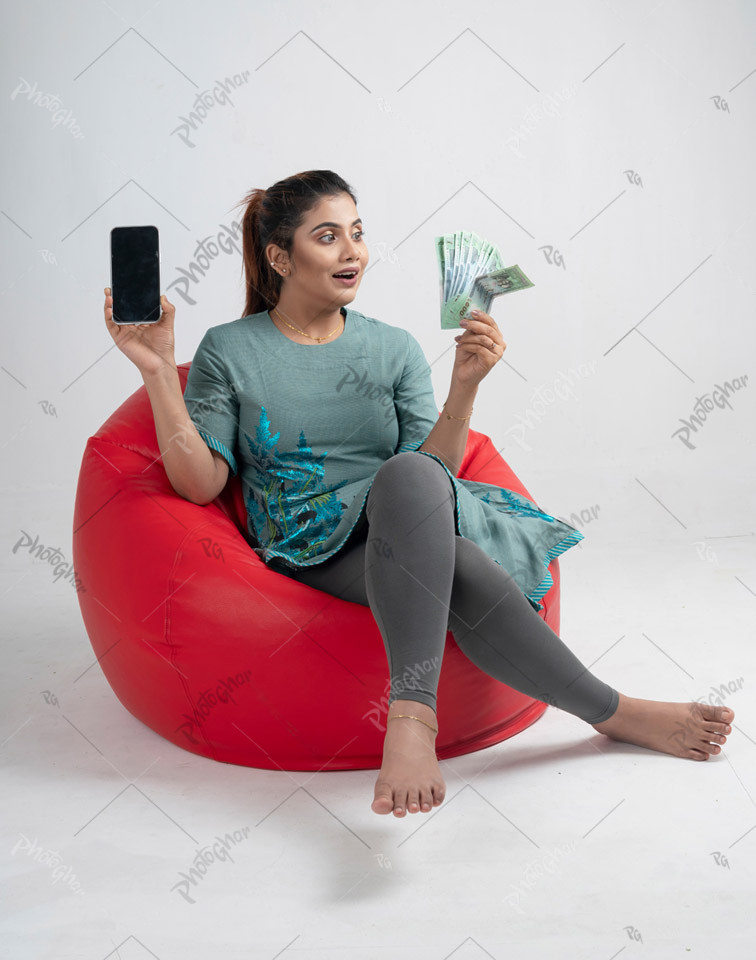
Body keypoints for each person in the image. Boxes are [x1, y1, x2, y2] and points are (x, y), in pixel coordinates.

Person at [103, 169, 734, 820]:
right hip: (308, 540)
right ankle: (609, 712)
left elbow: (434, 475)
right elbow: (200, 483)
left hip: (403, 519)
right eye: (328, 237)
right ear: (279, 257)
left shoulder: (394, 348)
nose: (353, 251)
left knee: (410, 480)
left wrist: (464, 387)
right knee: (449, 548)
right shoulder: (229, 349)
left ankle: (414, 716)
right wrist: (156, 370)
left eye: (357, 232)